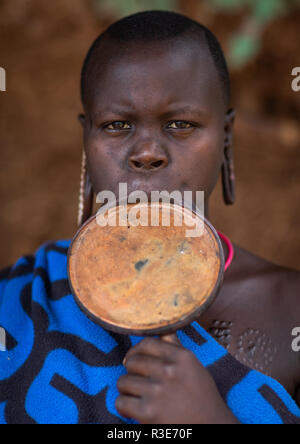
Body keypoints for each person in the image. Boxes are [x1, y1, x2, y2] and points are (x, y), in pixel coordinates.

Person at [0, 10, 299, 425]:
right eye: (117, 125)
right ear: (86, 141)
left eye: (181, 124)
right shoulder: (16, 302)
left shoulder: (291, 308)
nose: (146, 153)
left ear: (225, 139)